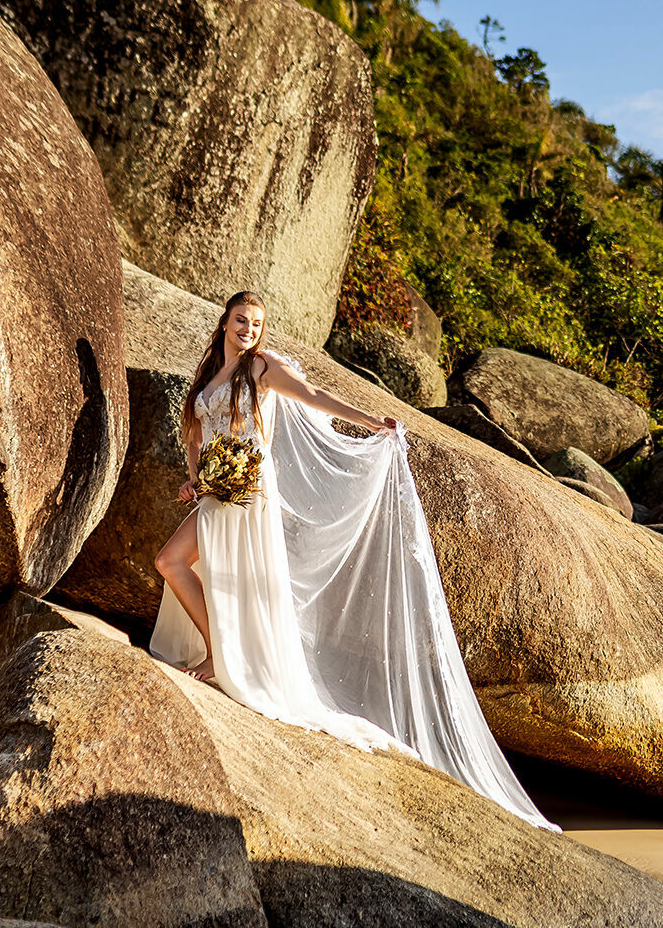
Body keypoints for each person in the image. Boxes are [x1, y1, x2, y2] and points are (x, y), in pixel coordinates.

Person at [151, 290, 556, 831]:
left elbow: (315, 394)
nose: (247, 329)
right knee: (176, 564)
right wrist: (195, 478)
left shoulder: (262, 368)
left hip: (250, 492)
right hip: (218, 490)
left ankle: (220, 659)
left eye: (256, 323)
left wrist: (370, 421)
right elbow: (201, 434)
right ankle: (222, 654)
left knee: (216, 573)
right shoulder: (209, 377)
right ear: (224, 322)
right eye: (240, 320)